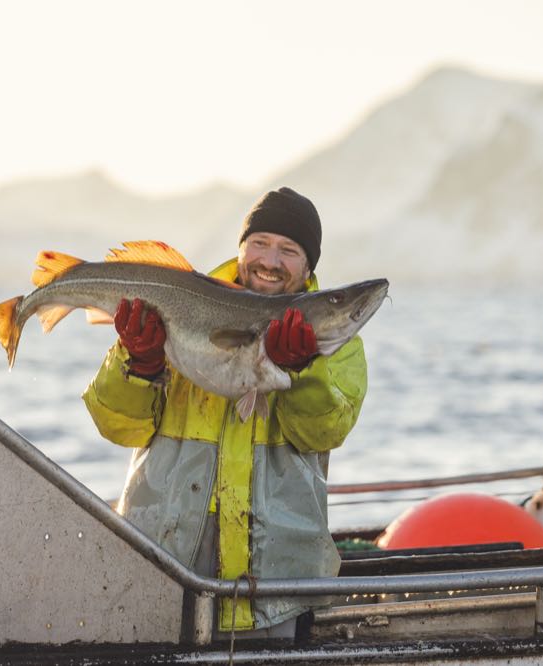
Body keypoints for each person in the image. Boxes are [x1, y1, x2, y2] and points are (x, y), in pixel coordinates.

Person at [82, 187, 368, 639]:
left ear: (309, 266)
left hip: (277, 584)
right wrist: (139, 364)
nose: (270, 260)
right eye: (260, 243)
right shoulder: (180, 305)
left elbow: (325, 431)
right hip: (164, 565)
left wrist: (303, 372)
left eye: (289, 250)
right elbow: (117, 425)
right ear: (240, 249)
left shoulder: (339, 346)